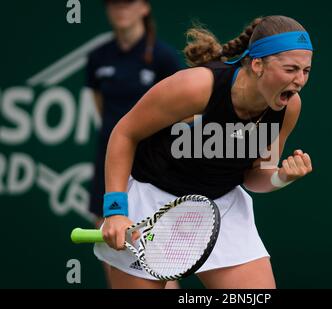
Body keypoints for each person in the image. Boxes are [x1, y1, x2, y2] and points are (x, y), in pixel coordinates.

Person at [94, 15, 314, 289]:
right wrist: (115, 211)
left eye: (306, 71)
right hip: (151, 201)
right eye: (291, 69)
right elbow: (124, 134)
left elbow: (255, 175)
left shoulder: (288, 108)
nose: (300, 80)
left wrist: (281, 177)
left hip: (219, 208)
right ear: (257, 64)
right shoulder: (196, 87)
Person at [85, 0, 183, 288]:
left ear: (143, 7)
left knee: (160, 263)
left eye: (127, 3)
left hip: (154, 169)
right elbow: (103, 111)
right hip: (110, 164)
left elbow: (177, 113)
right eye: (114, 4)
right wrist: (121, 147)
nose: (120, 9)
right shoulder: (98, 57)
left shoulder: (164, 58)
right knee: (113, 255)